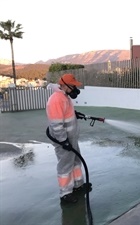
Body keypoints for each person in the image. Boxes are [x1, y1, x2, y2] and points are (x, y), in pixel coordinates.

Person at [46, 73, 91, 203]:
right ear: (64, 86)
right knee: (65, 166)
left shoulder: (65, 97)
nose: (75, 89)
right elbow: (56, 124)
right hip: (63, 140)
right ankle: (65, 193)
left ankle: (78, 186)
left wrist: (75, 114)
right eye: (72, 86)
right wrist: (63, 141)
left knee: (76, 161)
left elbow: (65, 115)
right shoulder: (56, 100)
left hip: (71, 138)